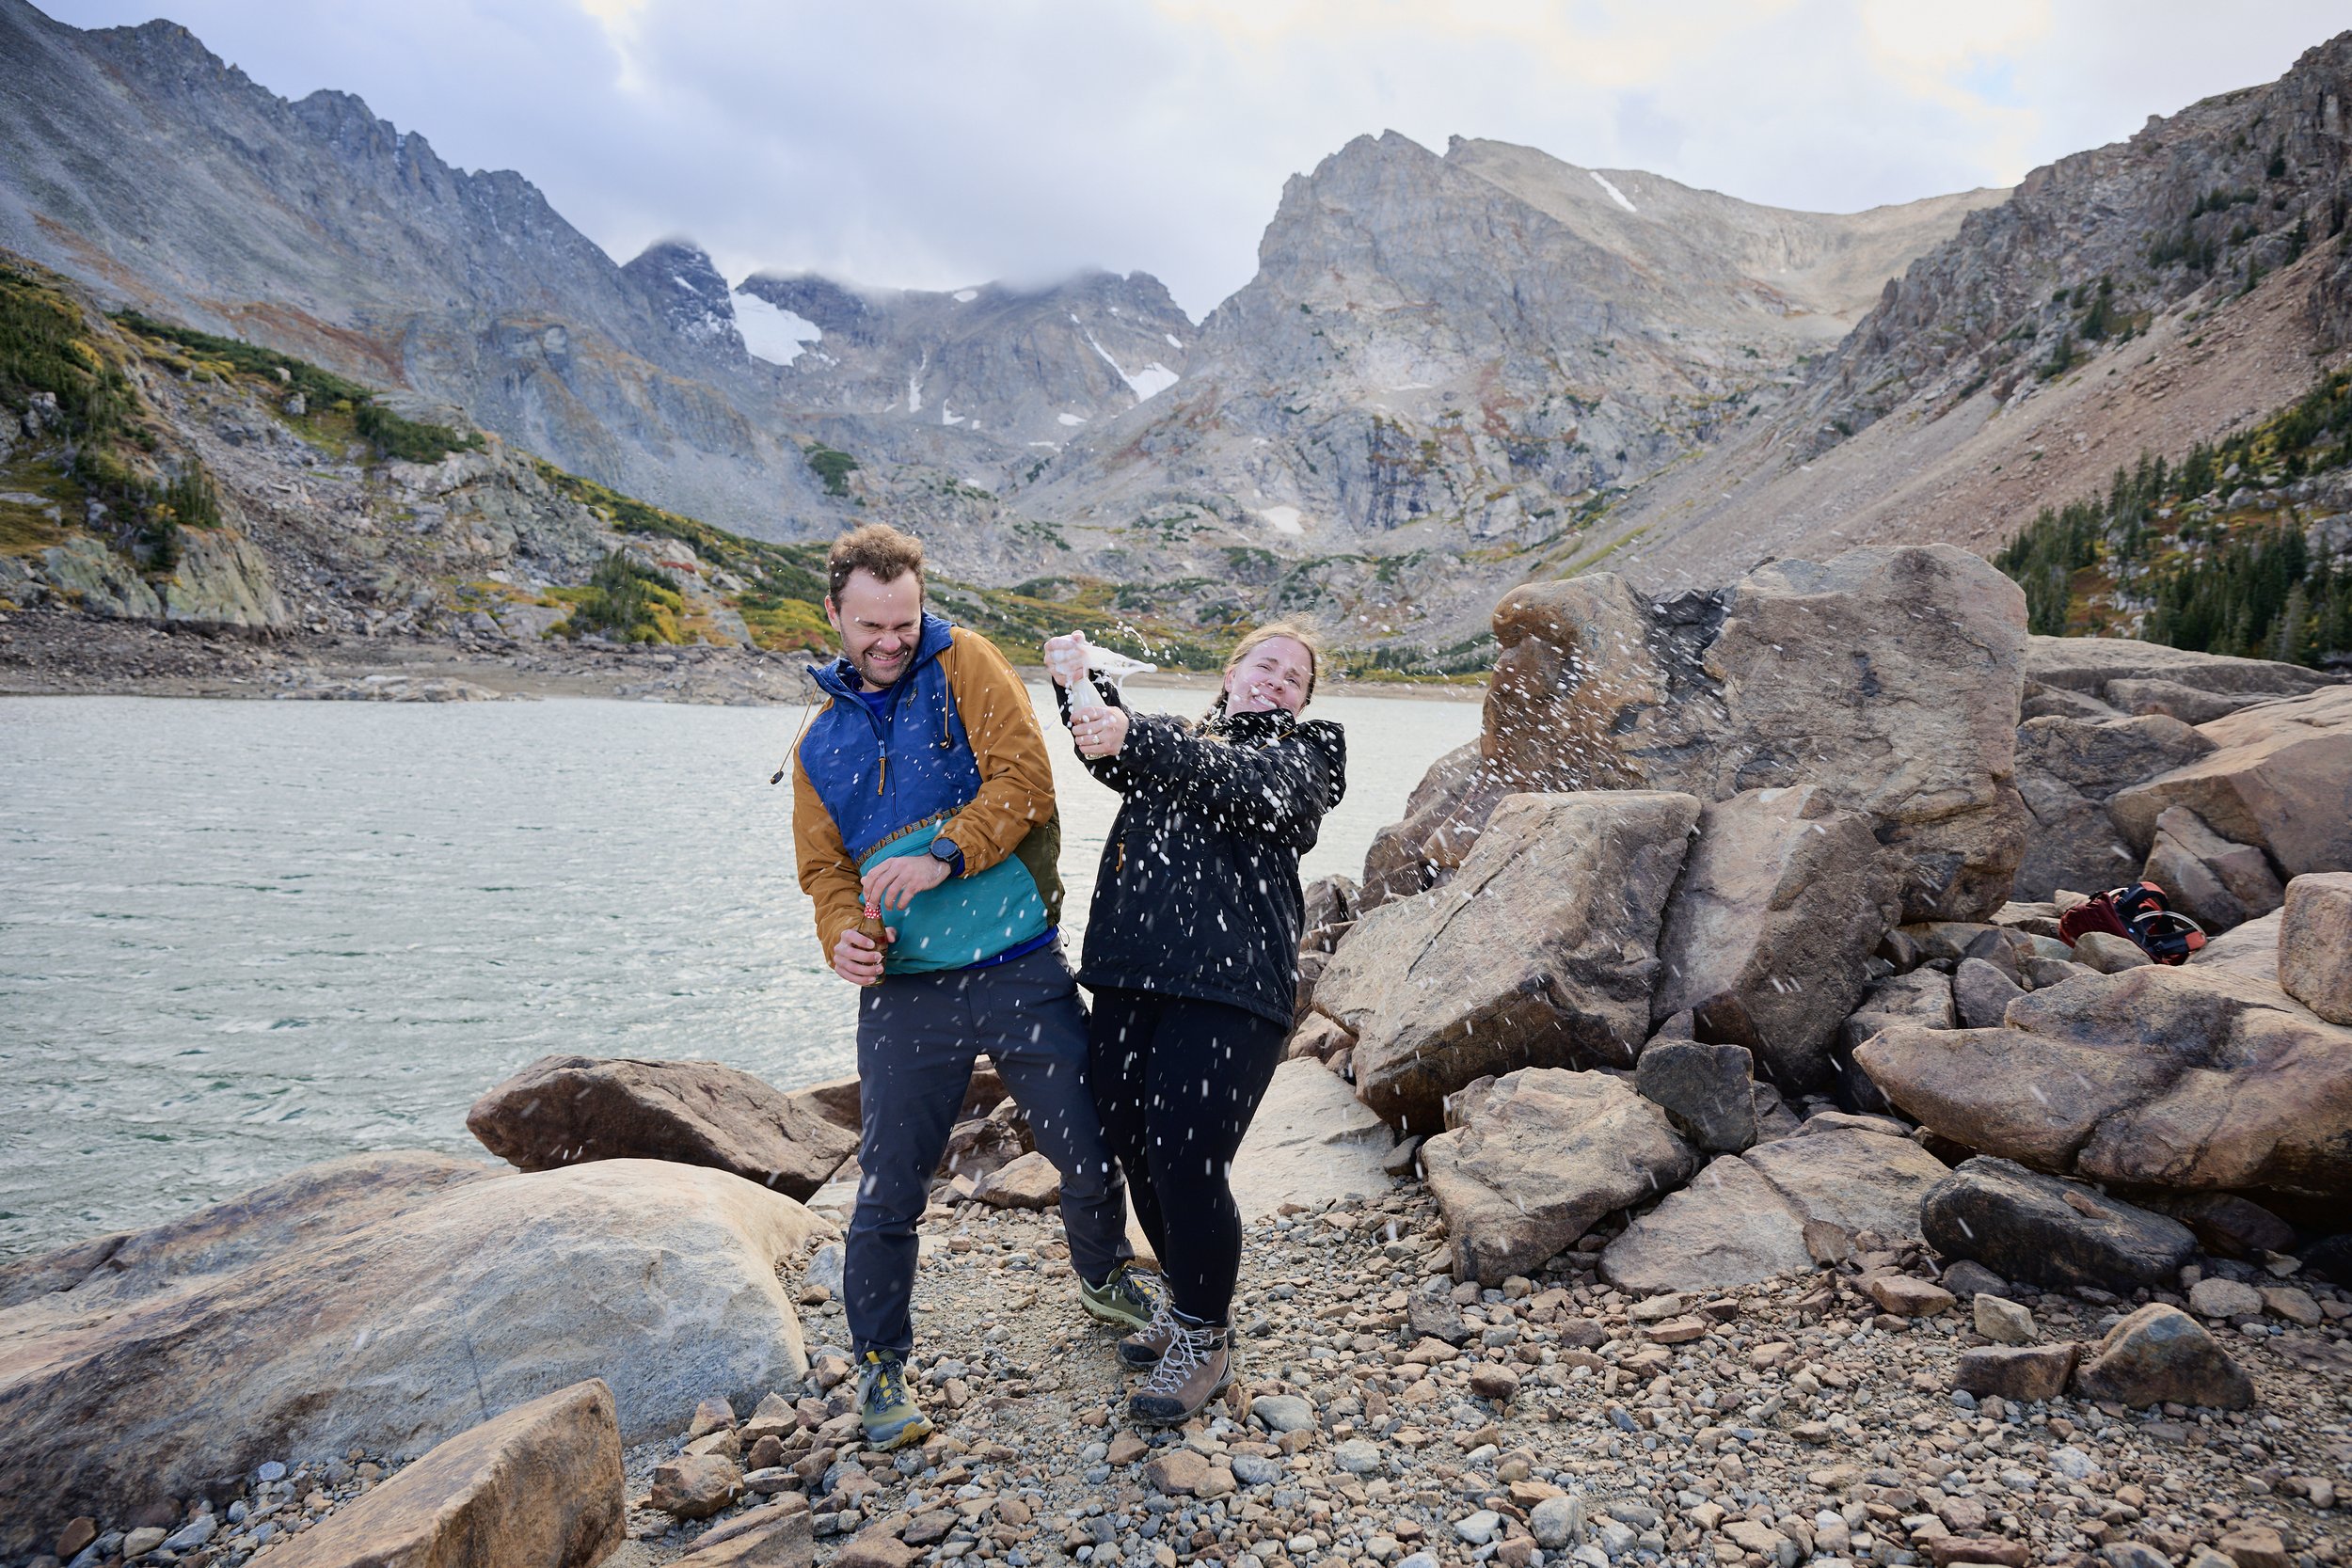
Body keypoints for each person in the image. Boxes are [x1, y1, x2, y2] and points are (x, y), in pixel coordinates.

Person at [789, 523, 1162, 1450]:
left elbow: (1027, 780)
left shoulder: (967, 664)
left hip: (1018, 962)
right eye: (870, 624)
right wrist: (842, 937)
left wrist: (941, 853)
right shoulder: (817, 743)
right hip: (906, 993)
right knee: (889, 1189)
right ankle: (880, 1362)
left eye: (904, 621)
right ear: (833, 612)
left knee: (1085, 1142)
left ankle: (1104, 1276)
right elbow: (824, 873)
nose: (889, 640)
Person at [1043, 623, 1346, 1425]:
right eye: (1265, 665)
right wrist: (1078, 685)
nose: (1278, 681)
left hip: (1232, 989)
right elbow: (1104, 747)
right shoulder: (1173, 740)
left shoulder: (1306, 749)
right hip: (1132, 975)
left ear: (1305, 699)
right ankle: (1188, 1308)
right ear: (1231, 669)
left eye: (1295, 676)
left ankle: (1206, 1338)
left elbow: (1265, 792)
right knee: (1136, 1145)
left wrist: (1132, 729)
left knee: (1187, 1158)